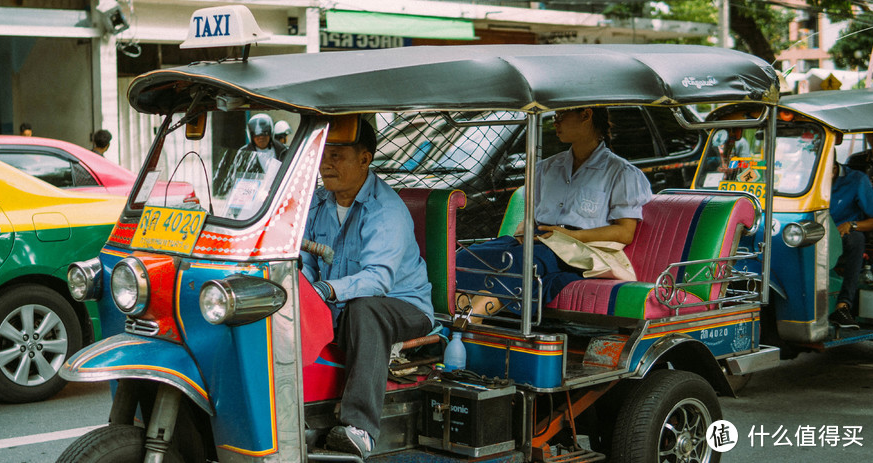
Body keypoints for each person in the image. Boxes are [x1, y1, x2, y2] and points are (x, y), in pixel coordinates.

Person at [301, 117, 432, 458]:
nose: (326, 162)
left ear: (364, 159)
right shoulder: (317, 203)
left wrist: (324, 290)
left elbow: (378, 280)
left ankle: (360, 428)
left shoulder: (384, 211)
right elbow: (304, 260)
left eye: (338, 154)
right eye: (323, 153)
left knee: (365, 308)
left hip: (402, 305)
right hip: (340, 307)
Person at [456, 107, 652, 305]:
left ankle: (474, 316)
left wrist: (571, 236)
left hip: (581, 249)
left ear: (586, 115)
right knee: (468, 256)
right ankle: (456, 311)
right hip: (540, 241)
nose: (555, 122)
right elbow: (531, 218)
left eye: (561, 116)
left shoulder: (622, 173)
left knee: (524, 261)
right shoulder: (545, 169)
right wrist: (525, 232)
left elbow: (625, 232)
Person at [829, 161, 873, 327]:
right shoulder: (802, 178)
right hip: (809, 232)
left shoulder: (856, 179)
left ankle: (843, 306)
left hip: (842, 236)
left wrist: (852, 225)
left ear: (834, 168)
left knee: (857, 239)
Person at [213, 113, 288, 196]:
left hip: (279, 195)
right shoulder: (243, 153)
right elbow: (235, 178)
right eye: (257, 136)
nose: (261, 138)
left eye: (265, 134)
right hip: (252, 197)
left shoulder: (284, 151)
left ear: (271, 134)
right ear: (251, 136)